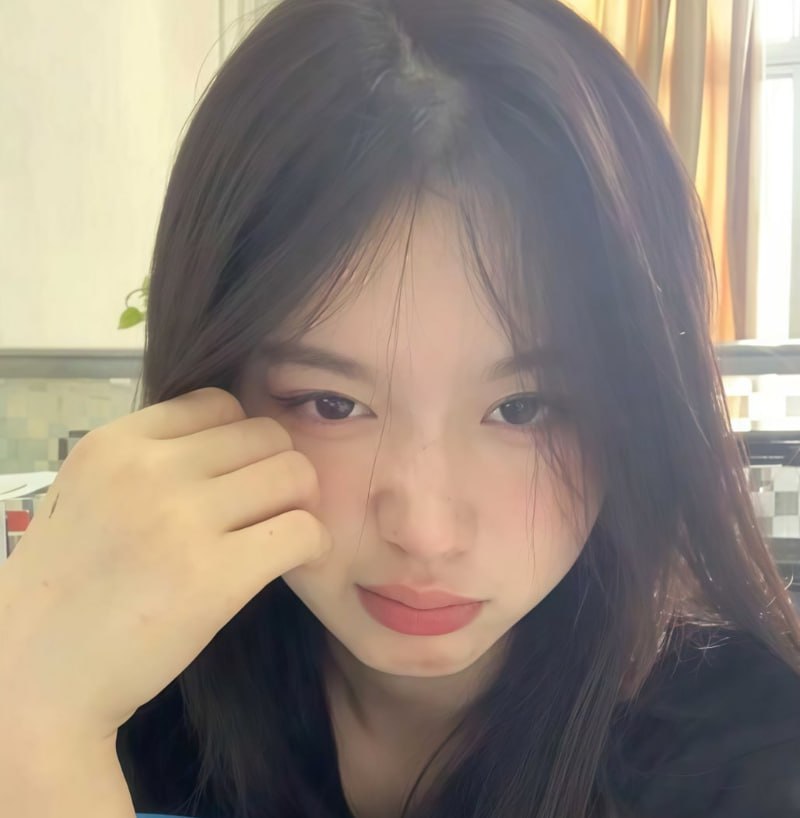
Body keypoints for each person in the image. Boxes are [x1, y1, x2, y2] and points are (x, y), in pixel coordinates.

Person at [1, 0, 799, 816]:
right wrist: (39, 728)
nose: (425, 531)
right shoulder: (123, 687)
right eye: (332, 404)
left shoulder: (752, 759)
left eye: (523, 409)